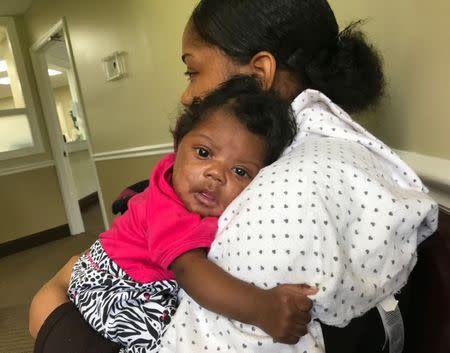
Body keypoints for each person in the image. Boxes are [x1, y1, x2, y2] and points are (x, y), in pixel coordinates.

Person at [29, 1, 438, 352]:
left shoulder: (289, 192)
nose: (186, 95)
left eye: (192, 71)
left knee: (49, 296)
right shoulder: (319, 157)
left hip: (96, 298)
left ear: (258, 74)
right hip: (112, 279)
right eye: (203, 152)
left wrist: (52, 302)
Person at [34, 76, 309, 353]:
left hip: (133, 279)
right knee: (167, 341)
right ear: (177, 144)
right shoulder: (168, 206)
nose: (215, 174)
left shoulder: (193, 188)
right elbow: (189, 269)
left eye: (240, 171)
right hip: (110, 284)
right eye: (203, 153)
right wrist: (262, 308)